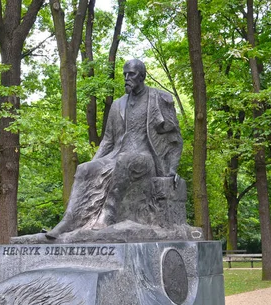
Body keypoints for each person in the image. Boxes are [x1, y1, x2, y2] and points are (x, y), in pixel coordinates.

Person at [46, 59, 183, 240]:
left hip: (146, 157)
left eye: (131, 74)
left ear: (142, 76)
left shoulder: (158, 98)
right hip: (118, 154)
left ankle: (107, 215)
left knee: (124, 160)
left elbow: (174, 138)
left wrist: (172, 168)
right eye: (125, 74)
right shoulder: (118, 105)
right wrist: (95, 162)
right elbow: (108, 141)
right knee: (84, 168)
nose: (127, 78)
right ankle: (68, 221)